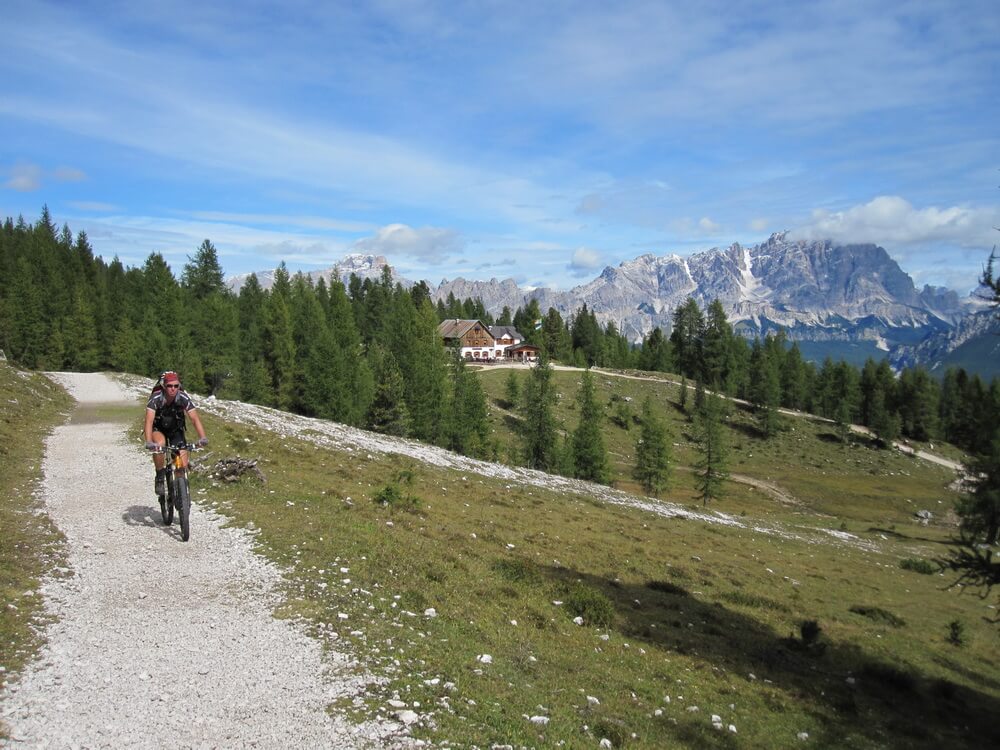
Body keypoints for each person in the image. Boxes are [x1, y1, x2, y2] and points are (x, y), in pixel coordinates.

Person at [144, 371, 208, 497]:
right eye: (169, 386)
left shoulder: (183, 397)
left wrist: (203, 437)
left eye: (176, 386)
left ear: (179, 386)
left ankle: (182, 495)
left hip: (176, 430)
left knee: (181, 466)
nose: (173, 389)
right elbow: (149, 421)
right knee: (160, 444)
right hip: (158, 429)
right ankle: (160, 476)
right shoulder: (156, 398)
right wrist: (149, 441)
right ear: (164, 386)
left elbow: (194, 419)